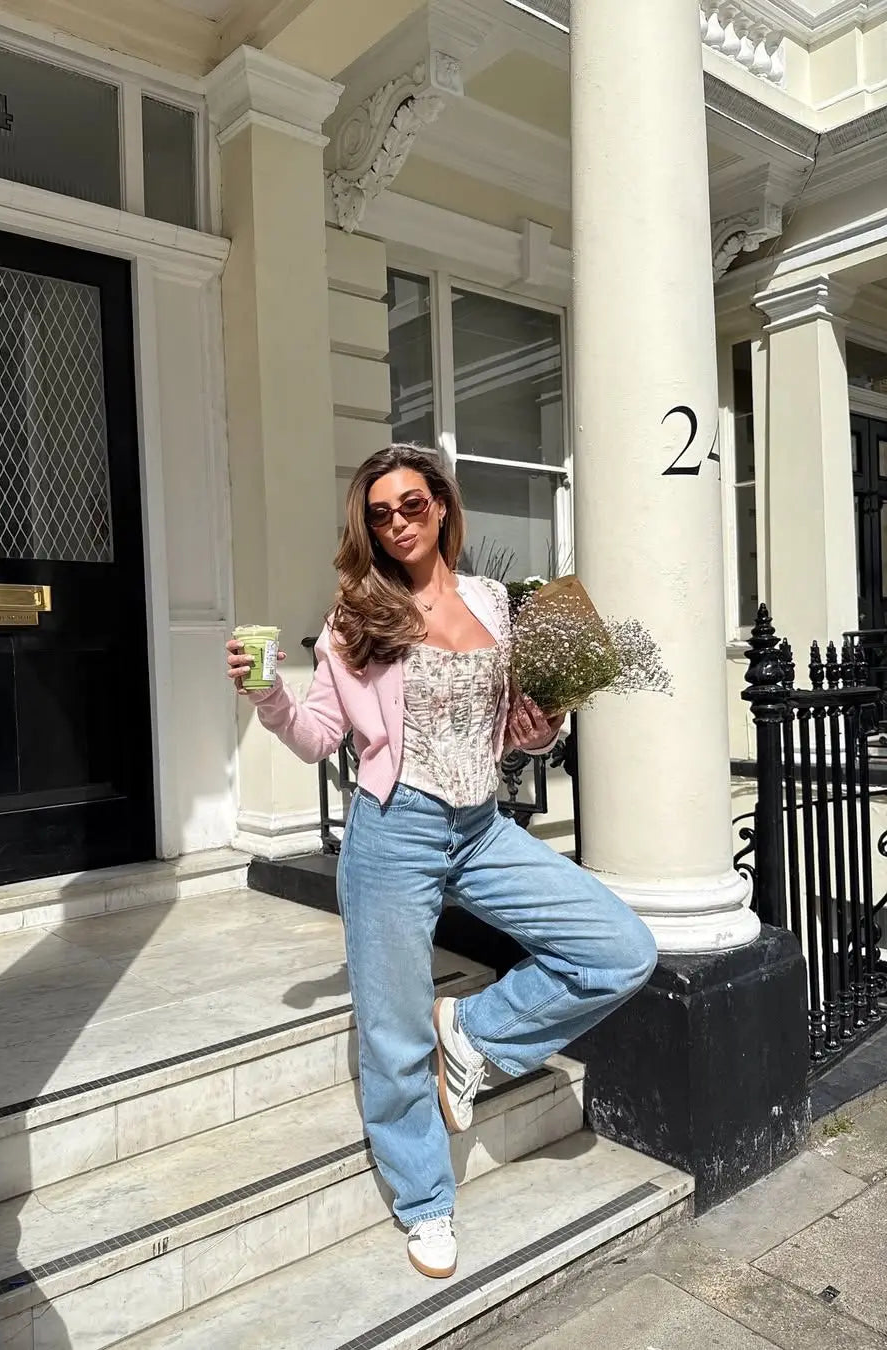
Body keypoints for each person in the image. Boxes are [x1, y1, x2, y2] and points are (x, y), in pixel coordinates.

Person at [225, 445, 656, 1280]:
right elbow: (320, 736)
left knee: (620, 949)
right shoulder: (357, 614)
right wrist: (267, 696)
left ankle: (472, 1030)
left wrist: (539, 734)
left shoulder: (495, 599)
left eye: (412, 505)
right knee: (391, 1034)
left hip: (483, 824)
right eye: (381, 514)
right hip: (395, 831)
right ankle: (425, 1200)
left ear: (442, 506)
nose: (398, 524)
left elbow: (510, 729)